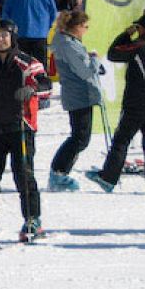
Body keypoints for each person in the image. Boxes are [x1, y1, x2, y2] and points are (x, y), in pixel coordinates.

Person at [0, 20, 52, 244]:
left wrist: (31, 89)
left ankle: (33, 219)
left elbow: (46, 86)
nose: (0, 39)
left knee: (23, 174)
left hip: (20, 127)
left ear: (12, 37)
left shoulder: (28, 64)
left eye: (4, 35)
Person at [88, 16, 145, 194]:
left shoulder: (140, 45)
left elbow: (114, 53)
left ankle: (108, 179)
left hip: (139, 100)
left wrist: (126, 34)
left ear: (142, 29)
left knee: (122, 139)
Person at [47, 11, 102, 191]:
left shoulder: (69, 42)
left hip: (81, 93)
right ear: (76, 27)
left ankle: (61, 172)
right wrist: (95, 60)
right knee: (79, 138)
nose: (86, 31)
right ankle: (58, 172)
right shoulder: (68, 45)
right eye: (85, 27)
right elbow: (84, 71)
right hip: (78, 95)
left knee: (81, 137)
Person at [0, 0, 58, 66]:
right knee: (40, 65)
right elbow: (53, 13)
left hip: (20, 35)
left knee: (21, 64)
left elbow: (5, 15)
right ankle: (40, 81)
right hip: (40, 34)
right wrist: (47, 26)